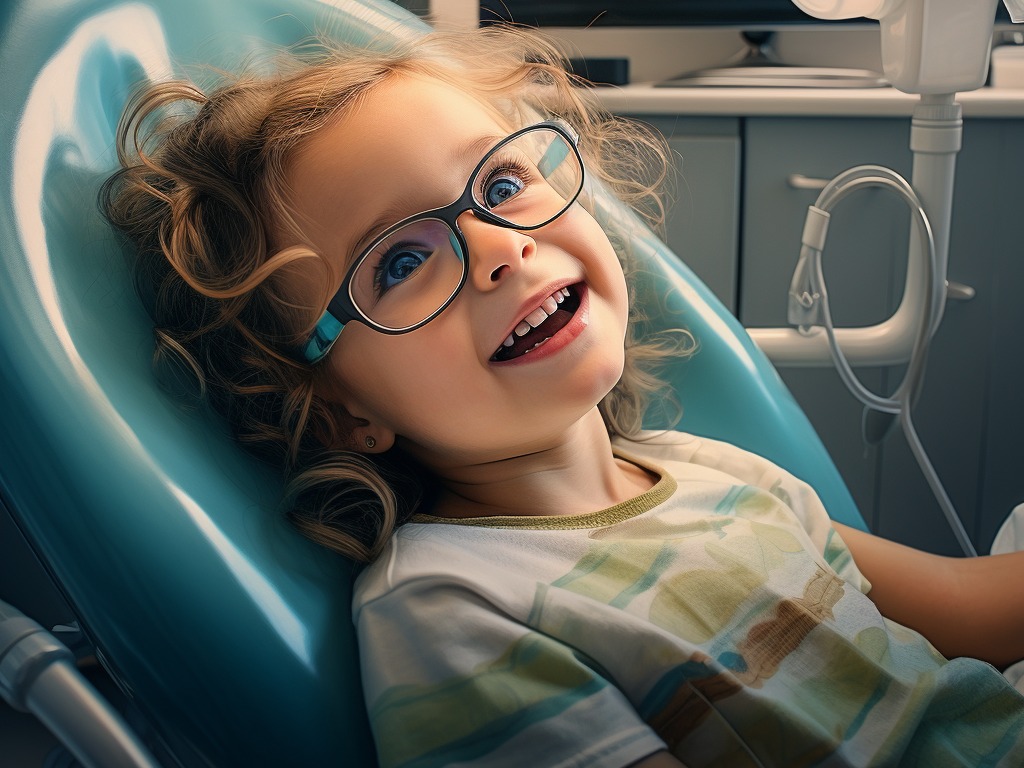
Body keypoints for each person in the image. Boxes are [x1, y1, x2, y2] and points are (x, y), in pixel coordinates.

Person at [101, 23, 1024, 768]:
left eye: (501, 181)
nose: (499, 244)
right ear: (345, 411)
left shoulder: (715, 473)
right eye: (404, 260)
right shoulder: (452, 612)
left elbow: (972, 609)